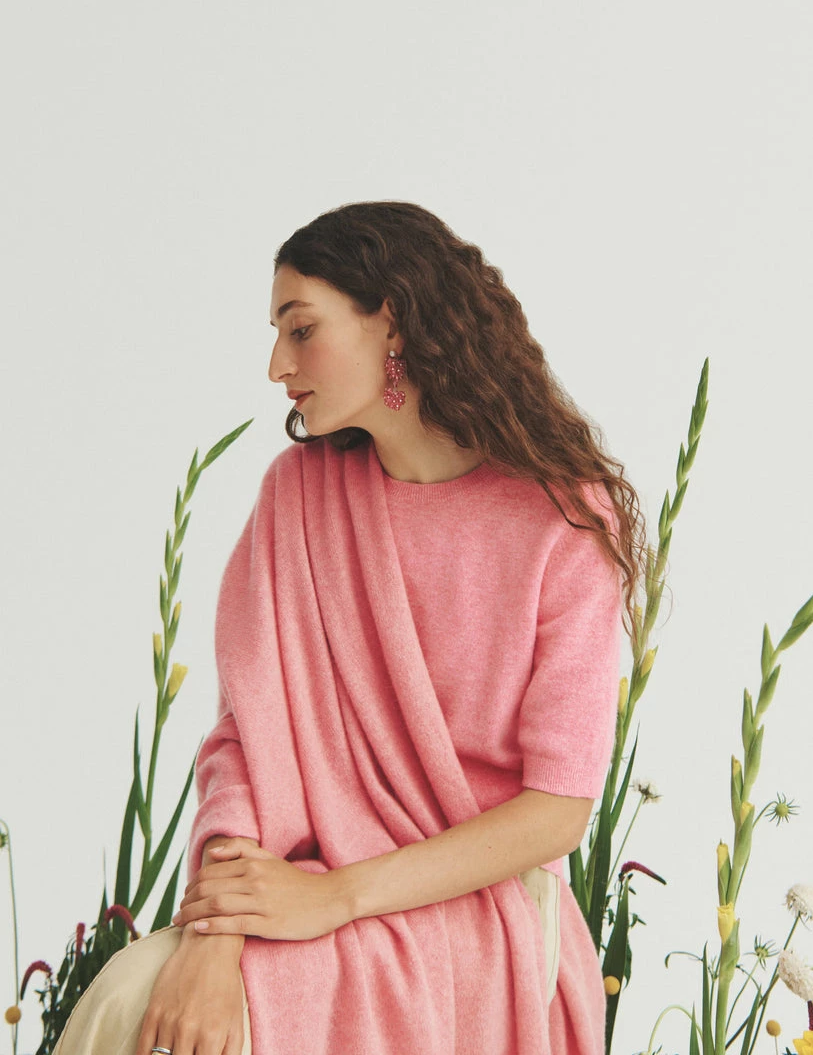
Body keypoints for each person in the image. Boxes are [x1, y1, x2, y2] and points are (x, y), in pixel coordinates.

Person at [53, 200, 647, 1055]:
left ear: (392, 322)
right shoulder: (298, 496)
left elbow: (555, 813)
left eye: (300, 330)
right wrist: (216, 938)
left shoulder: (562, 519)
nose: (276, 365)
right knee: (132, 1000)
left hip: (473, 906)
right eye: (276, 335)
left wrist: (336, 899)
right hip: (297, 881)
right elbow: (246, 745)